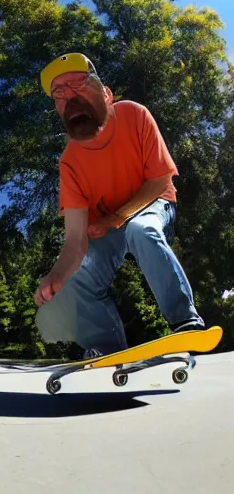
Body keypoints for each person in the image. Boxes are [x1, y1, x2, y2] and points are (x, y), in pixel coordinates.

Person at [34, 52, 205, 359]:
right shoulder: (69, 163)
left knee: (141, 229)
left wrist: (117, 216)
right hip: (106, 230)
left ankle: (186, 323)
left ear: (107, 94)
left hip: (153, 203)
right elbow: (75, 240)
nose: (69, 97)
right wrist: (55, 277)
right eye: (59, 94)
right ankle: (107, 350)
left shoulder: (134, 115)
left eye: (78, 84)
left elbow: (159, 179)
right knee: (78, 272)